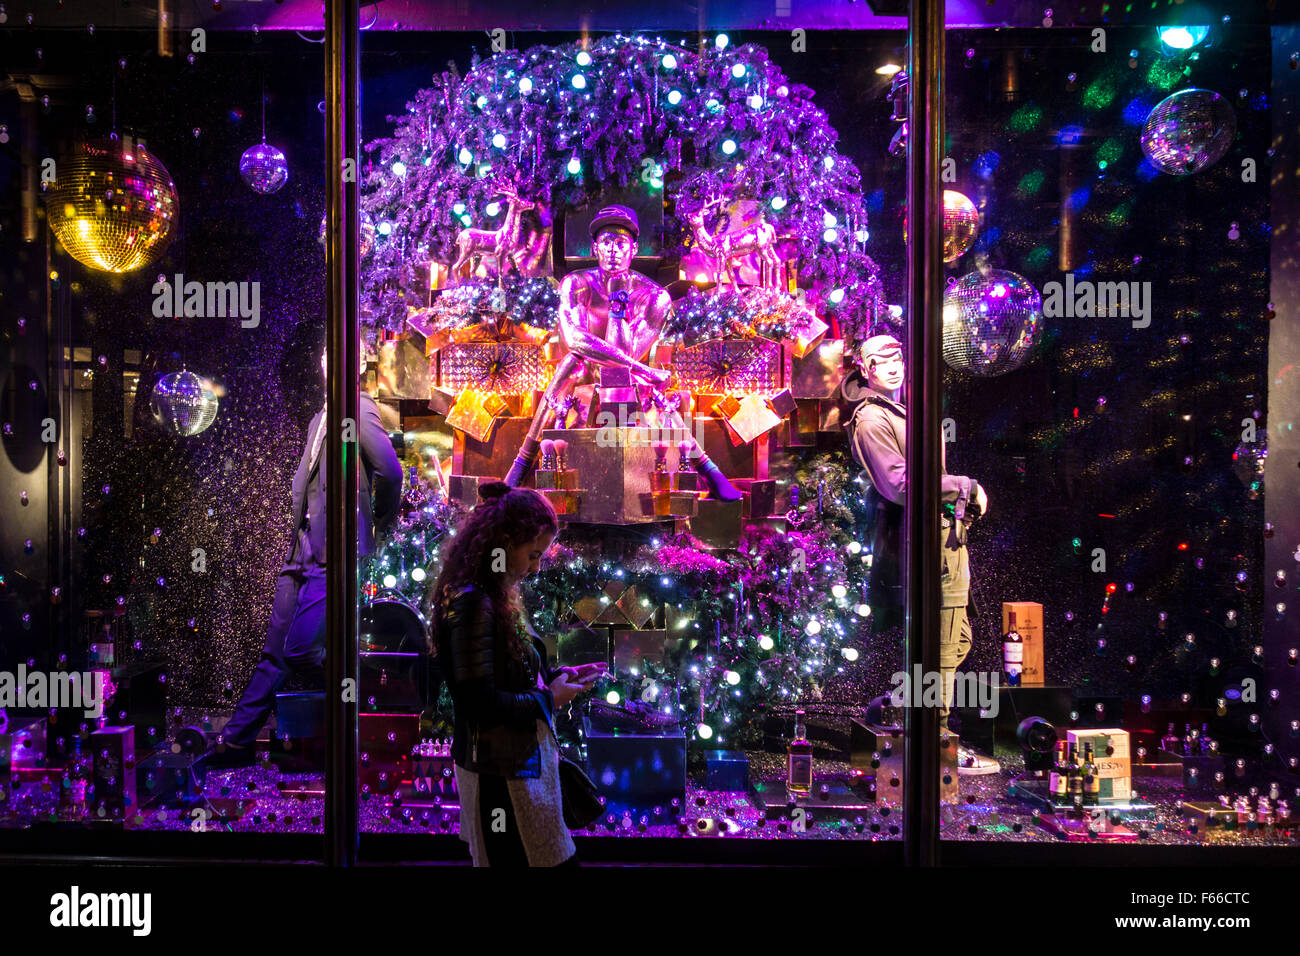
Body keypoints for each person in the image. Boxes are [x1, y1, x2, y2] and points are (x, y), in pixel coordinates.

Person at [208, 345, 404, 768]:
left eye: (342, 355)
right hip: (302, 550)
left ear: (359, 365)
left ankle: (360, 707)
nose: (330, 363)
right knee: (274, 652)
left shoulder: (359, 408)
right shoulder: (320, 418)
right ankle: (237, 742)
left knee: (299, 650)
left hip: (335, 553)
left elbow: (390, 472)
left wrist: (373, 526)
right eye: (326, 356)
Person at [503, 204, 740, 500]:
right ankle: (521, 464)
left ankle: (708, 470)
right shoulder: (576, 284)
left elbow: (624, 352)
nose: (613, 250)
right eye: (606, 242)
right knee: (570, 364)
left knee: (653, 394)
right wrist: (645, 370)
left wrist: (617, 307)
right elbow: (576, 341)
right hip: (586, 370)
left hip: (626, 377)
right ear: (595, 247)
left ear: (633, 249)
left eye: (621, 242)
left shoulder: (654, 296)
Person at [428, 482, 605, 866]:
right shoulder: (475, 603)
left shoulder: (491, 595)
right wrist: (549, 698)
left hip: (515, 767)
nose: (536, 567)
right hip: (499, 774)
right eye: (533, 554)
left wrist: (557, 676)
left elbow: (507, 673)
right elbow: (479, 702)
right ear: (505, 542)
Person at [845, 334, 1000, 775]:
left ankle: (908, 718)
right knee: (941, 649)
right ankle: (936, 747)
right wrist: (964, 487)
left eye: (898, 357)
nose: (894, 366)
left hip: (944, 542)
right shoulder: (871, 418)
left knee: (955, 640)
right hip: (925, 548)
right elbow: (899, 484)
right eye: (882, 361)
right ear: (866, 369)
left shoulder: (901, 410)